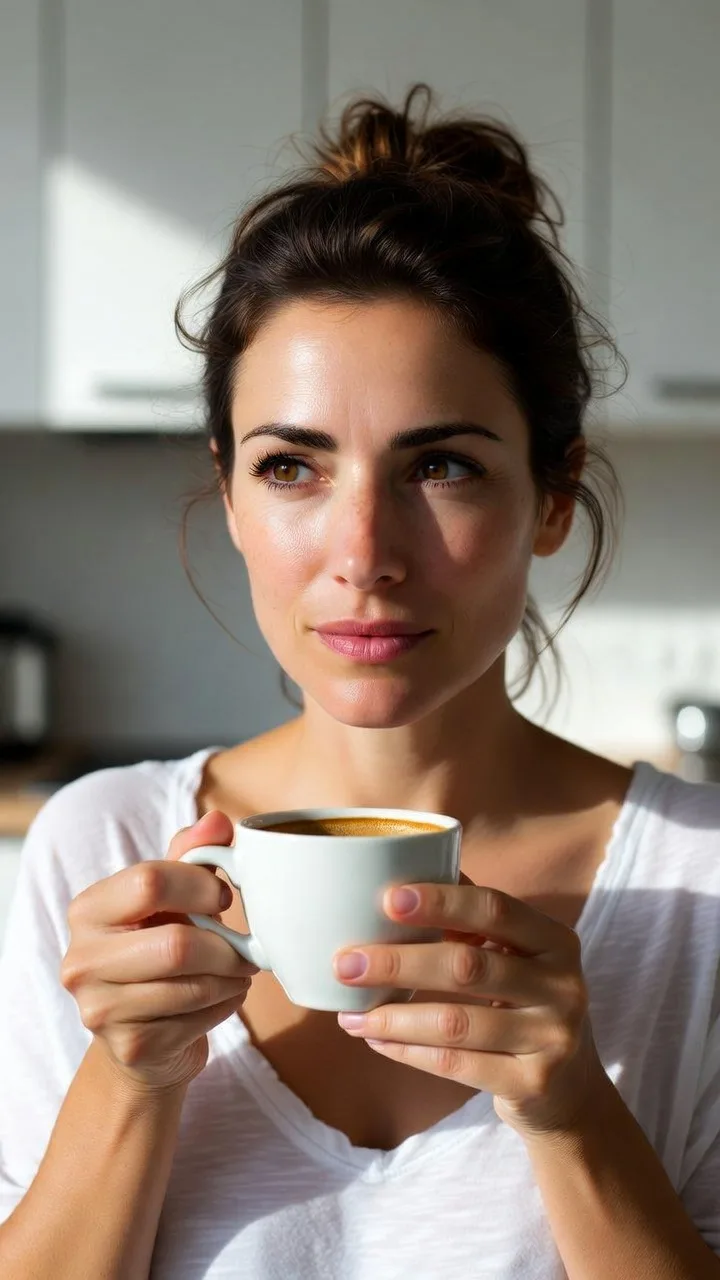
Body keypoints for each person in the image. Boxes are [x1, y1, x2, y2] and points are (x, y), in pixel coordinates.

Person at [0, 82, 718, 1280]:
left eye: (439, 463)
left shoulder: (704, 885)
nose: (364, 553)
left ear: (551, 494)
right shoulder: (105, 848)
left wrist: (572, 1111)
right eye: (293, 467)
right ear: (227, 492)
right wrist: (130, 1076)